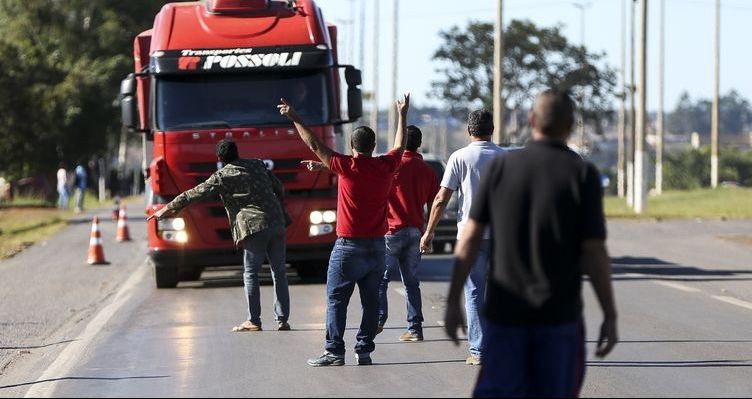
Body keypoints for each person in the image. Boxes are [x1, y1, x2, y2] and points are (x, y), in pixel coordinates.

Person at [447, 89, 618, 397]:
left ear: (532, 120)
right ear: (570, 125)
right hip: (559, 316)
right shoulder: (582, 174)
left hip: (505, 315)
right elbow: (594, 251)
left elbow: (470, 236)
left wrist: (452, 301)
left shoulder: (502, 168)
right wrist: (609, 313)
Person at [278, 93, 409, 367]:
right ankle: (364, 350)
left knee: (337, 300)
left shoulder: (347, 166)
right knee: (371, 302)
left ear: (352, 146)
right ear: (373, 146)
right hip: (377, 247)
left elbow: (313, 143)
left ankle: (335, 351)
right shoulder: (385, 166)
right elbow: (400, 144)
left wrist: (294, 117)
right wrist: (402, 114)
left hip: (349, 247)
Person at [148, 139, 291, 332]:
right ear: (237, 152)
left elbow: (193, 194)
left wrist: (167, 208)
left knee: (251, 273)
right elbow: (279, 189)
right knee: (279, 271)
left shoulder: (222, 176)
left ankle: (254, 320)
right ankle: (282, 319)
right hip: (277, 222)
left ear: (219, 158)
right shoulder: (258, 164)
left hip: (254, 226)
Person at [420, 109, 505, 365]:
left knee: (475, 292)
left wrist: (429, 231)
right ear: (492, 130)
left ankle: (479, 351)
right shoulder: (505, 158)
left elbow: (441, 198)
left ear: (469, 132)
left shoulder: (459, 157)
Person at [377, 125, 439, 342]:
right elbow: (434, 203)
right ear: (419, 143)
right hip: (415, 231)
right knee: (411, 282)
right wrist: (429, 232)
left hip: (391, 231)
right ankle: (415, 329)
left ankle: (378, 318)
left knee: (381, 280)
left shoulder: (391, 166)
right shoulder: (428, 171)